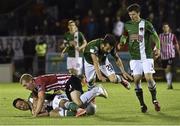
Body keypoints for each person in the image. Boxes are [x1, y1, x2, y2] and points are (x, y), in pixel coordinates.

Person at [119, 3, 161, 113]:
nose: (131, 17)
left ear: (138, 13)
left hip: (146, 56)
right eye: (130, 15)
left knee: (148, 78)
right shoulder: (127, 25)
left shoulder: (146, 24)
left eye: (133, 14)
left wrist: (158, 48)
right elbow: (124, 36)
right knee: (137, 80)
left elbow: (155, 36)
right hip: (134, 58)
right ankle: (142, 104)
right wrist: (122, 42)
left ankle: (155, 100)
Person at [19, 73, 108, 117]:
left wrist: (35, 114)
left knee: (78, 103)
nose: (25, 88)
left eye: (25, 85)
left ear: (31, 81)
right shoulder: (35, 88)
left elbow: (41, 99)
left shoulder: (38, 82)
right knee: (83, 106)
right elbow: (36, 99)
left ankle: (96, 90)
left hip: (69, 81)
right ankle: (91, 101)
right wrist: (33, 110)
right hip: (66, 86)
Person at [13, 93, 96, 117]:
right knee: (53, 114)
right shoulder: (33, 112)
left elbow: (40, 96)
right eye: (20, 108)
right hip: (55, 107)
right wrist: (40, 114)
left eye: (21, 104)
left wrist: (38, 103)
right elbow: (47, 114)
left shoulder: (32, 96)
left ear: (23, 100)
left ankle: (79, 110)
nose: (22, 107)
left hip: (57, 98)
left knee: (59, 102)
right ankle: (80, 113)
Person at [159, 23, 180, 89]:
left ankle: (169, 84)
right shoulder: (160, 36)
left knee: (168, 68)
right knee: (166, 70)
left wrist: (179, 52)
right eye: (164, 27)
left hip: (171, 55)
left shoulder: (172, 36)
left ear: (169, 28)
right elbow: (158, 44)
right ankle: (169, 83)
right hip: (163, 56)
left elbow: (176, 44)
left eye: (166, 27)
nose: (165, 28)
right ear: (163, 28)